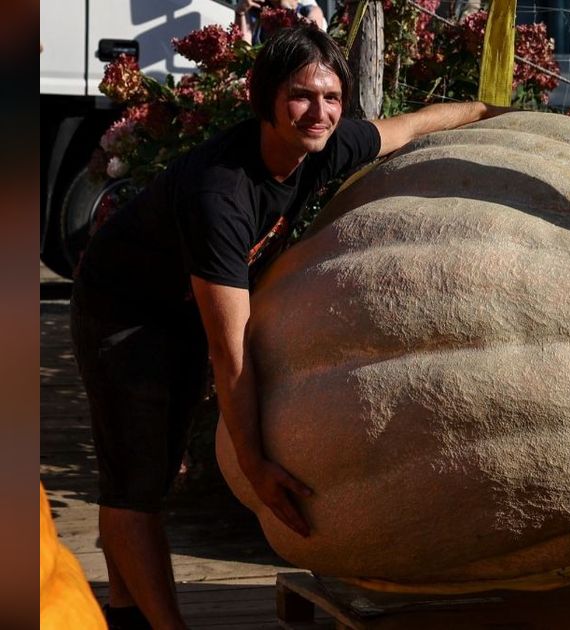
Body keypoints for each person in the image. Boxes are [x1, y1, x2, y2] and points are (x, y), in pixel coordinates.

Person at [70, 26, 508, 630]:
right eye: (301, 96)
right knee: (135, 483)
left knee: (144, 474)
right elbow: (234, 356)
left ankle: (126, 615)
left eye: (332, 97)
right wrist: (253, 465)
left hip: (181, 304)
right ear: (266, 99)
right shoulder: (221, 194)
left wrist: (485, 110)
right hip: (126, 311)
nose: (320, 111)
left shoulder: (327, 142)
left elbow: (411, 126)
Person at [235, 0, 327, 45]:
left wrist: (286, 7)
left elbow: (314, 31)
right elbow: (244, 47)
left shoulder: (309, 10)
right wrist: (241, 12)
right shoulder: (257, 13)